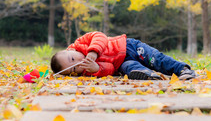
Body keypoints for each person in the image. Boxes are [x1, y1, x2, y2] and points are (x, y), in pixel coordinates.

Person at [50, 31, 196, 80]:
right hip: (121, 63)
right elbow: (111, 69)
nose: (78, 63)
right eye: (74, 69)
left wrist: (93, 52)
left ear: (71, 50)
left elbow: (100, 36)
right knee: (130, 68)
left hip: (129, 46)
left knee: (156, 59)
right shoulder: (89, 71)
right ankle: (148, 74)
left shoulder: (81, 43)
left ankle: (182, 70)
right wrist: (97, 69)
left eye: (73, 59)